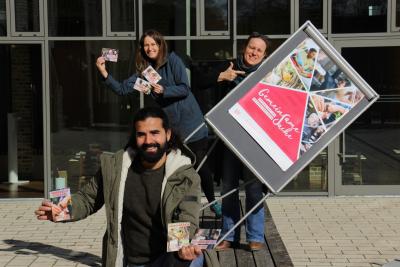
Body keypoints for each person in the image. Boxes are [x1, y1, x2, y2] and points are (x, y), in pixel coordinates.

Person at [34, 107, 217, 267]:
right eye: (141, 134)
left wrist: (184, 246)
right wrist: (64, 209)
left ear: (167, 135)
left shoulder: (185, 175)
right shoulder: (116, 167)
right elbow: (88, 199)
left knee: (193, 261)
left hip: (167, 259)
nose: (148, 141)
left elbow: (187, 216)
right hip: (131, 261)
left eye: (155, 133)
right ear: (134, 136)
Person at [95, 29, 221, 217]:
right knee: (177, 167)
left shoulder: (173, 60)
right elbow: (122, 89)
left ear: (160, 45)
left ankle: (213, 202)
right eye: (146, 45)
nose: (150, 48)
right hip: (172, 128)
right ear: (142, 48)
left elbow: (184, 89)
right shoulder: (144, 72)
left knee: (201, 165)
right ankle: (178, 209)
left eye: (154, 44)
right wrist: (104, 72)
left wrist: (164, 90)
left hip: (191, 122)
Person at [212, 32, 271, 251]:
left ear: (265, 55)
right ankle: (229, 235)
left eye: (259, 50)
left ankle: (255, 236)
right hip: (229, 139)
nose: (253, 52)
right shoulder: (229, 68)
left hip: (255, 143)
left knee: (254, 189)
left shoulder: (267, 75)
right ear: (244, 47)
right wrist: (221, 78)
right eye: (251, 47)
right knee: (228, 187)